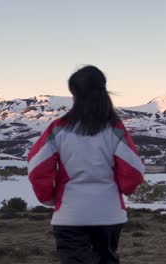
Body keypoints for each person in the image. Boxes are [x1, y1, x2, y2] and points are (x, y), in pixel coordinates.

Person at [28, 65, 145, 264]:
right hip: (109, 215)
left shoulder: (58, 129)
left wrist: (49, 198)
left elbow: (38, 168)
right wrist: (126, 189)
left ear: (74, 95)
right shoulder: (115, 129)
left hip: (70, 215)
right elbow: (133, 171)